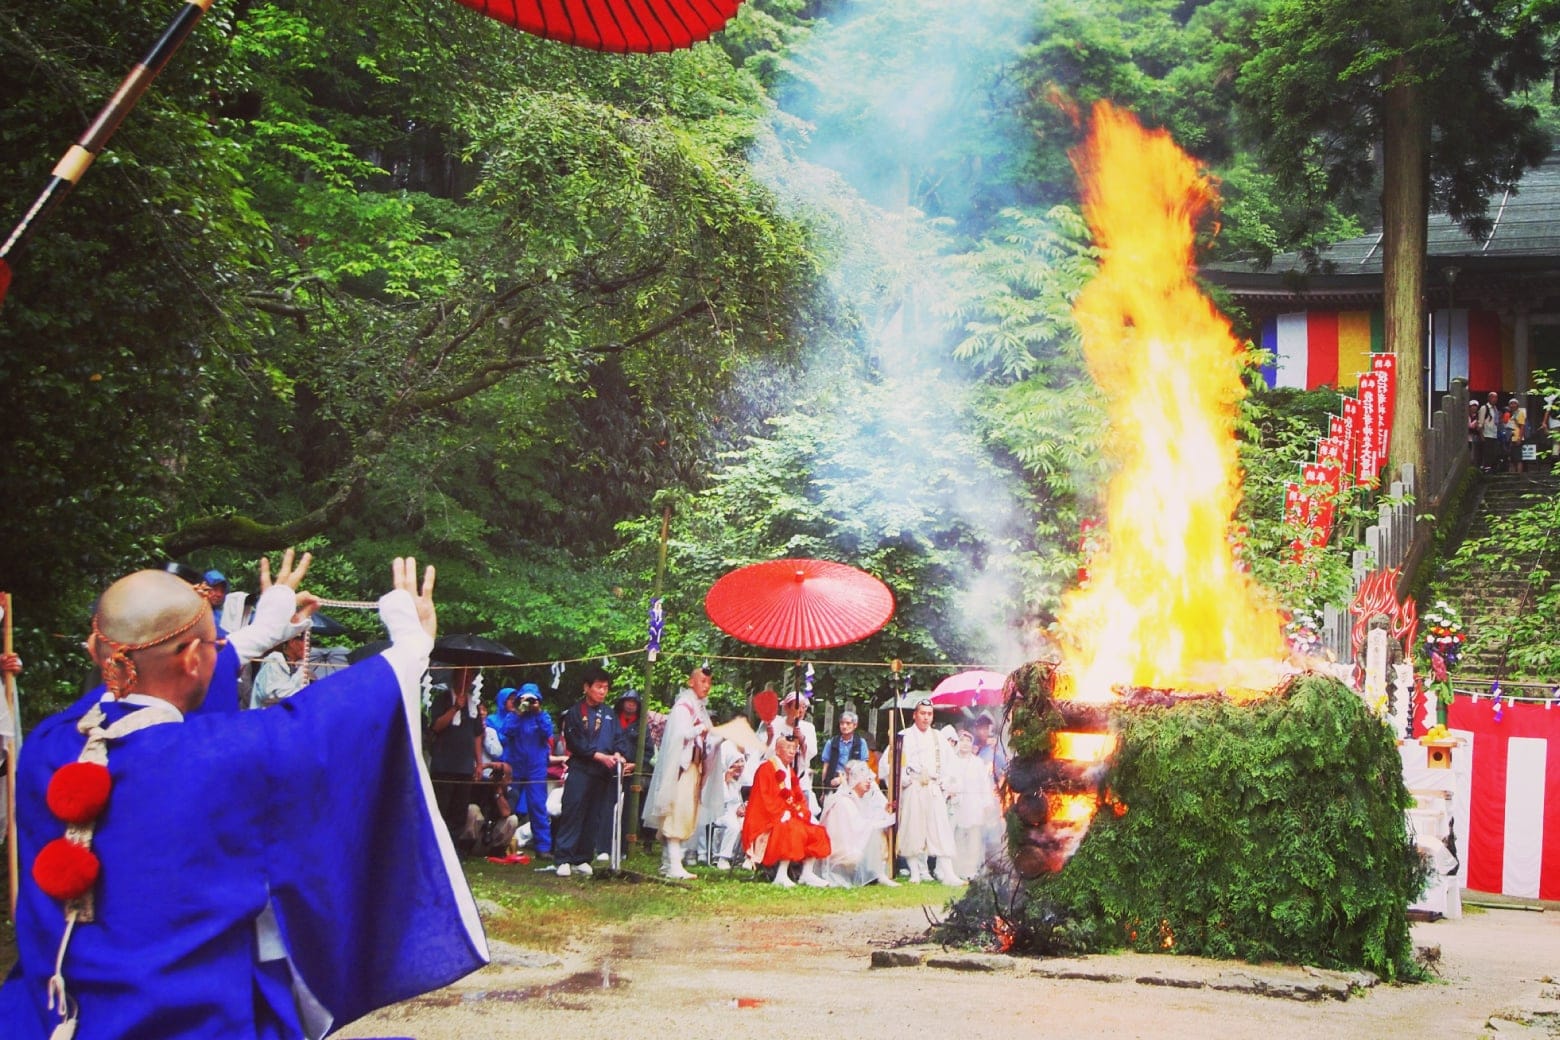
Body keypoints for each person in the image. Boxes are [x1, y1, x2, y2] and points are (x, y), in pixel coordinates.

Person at [0, 557, 487, 1039]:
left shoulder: (49, 746)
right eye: (217, 644)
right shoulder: (225, 758)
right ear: (192, 659)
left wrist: (263, 630)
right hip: (183, 1024)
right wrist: (411, 642)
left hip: (43, 1017)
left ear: (97, 652)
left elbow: (131, 695)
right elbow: (330, 721)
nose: (223, 653)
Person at [642, 665, 720, 879]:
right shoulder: (683, 707)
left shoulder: (701, 709)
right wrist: (698, 730)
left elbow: (706, 740)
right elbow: (677, 735)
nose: (706, 686)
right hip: (681, 768)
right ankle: (673, 864)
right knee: (676, 812)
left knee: (686, 813)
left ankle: (670, 863)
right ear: (690, 682)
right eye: (702, 681)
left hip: (695, 767)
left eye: (709, 683)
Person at [554, 666, 628, 876]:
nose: (603, 692)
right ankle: (564, 858)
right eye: (598, 687)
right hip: (581, 768)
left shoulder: (610, 714)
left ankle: (582, 857)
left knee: (594, 814)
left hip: (602, 773)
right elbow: (574, 741)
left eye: (605, 688)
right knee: (573, 811)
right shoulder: (575, 713)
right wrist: (597, 755)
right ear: (586, 688)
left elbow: (618, 739)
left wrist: (618, 754)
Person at [740, 731, 831, 888]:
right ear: (777, 750)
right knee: (792, 829)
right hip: (766, 820)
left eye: (794, 748)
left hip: (788, 815)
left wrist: (801, 811)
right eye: (788, 747)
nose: (792, 751)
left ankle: (806, 874)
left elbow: (798, 797)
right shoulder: (766, 769)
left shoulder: (790, 771)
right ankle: (781, 875)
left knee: (816, 831)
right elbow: (764, 798)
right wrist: (782, 812)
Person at [892, 699, 964, 885]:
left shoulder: (938, 737)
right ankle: (915, 872)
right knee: (912, 829)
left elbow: (951, 763)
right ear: (915, 714)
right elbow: (890, 764)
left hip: (932, 787)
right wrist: (904, 779)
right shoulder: (904, 735)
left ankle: (948, 873)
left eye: (929, 714)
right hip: (913, 786)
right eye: (922, 713)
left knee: (940, 828)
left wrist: (945, 782)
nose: (926, 717)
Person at [427, 668, 484, 853]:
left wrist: (479, 762)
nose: (466, 681)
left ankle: (453, 850)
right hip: (444, 764)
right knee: (441, 809)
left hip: (464, 766)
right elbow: (436, 726)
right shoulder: (442, 699)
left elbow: (477, 735)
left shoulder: (474, 704)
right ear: (455, 678)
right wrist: (455, 708)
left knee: (459, 812)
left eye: (470, 678)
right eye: (464, 677)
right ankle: (436, 849)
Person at [819, 761, 898, 888]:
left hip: (851, 841)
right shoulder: (845, 800)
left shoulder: (859, 798)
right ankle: (879, 875)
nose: (868, 782)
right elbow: (859, 826)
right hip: (841, 849)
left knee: (877, 830)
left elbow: (867, 818)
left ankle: (879, 874)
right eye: (864, 779)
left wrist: (885, 813)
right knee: (874, 832)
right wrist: (884, 822)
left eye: (869, 779)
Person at [945, 729, 1001, 879]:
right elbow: (947, 782)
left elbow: (984, 785)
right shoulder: (952, 762)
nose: (965, 744)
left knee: (974, 840)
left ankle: (972, 869)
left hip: (974, 806)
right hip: (957, 806)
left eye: (968, 741)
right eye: (962, 740)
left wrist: (987, 804)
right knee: (958, 838)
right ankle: (956, 869)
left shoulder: (978, 763)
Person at [508, 683, 554, 858]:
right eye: (525, 699)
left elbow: (548, 733)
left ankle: (543, 847)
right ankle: (501, 842)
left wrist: (538, 712)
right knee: (509, 803)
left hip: (536, 767)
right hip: (516, 765)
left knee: (537, 806)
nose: (528, 702)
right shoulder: (515, 716)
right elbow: (506, 731)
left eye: (531, 699)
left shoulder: (542, 716)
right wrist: (518, 713)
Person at [249, 629, 311, 708]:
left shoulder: (299, 667)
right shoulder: (273, 664)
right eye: (306, 643)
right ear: (292, 642)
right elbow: (276, 695)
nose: (309, 647)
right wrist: (301, 674)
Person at [819, 709, 870, 791]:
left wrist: (843, 779)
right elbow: (826, 767)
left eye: (848, 723)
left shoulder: (861, 743)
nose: (844, 726)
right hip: (833, 782)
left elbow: (863, 768)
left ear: (855, 725)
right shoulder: (831, 742)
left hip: (854, 784)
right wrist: (823, 790)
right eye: (842, 723)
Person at [1479, 390, 1503, 472]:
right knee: (1487, 453)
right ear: (1489, 398)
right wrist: (1481, 435)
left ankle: (1491, 468)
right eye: (1493, 397)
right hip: (1486, 434)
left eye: (1496, 397)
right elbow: (1481, 422)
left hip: (1494, 434)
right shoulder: (1484, 408)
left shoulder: (1495, 409)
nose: (1495, 399)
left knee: (1494, 453)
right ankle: (1485, 468)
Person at [1506, 396, 1528, 474]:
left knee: (1518, 458)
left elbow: (1522, 426)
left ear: (1517, 405)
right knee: (1512, 459)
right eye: (1511, 404)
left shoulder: (1520, 413)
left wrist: (1519, 438)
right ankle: (1512, 474)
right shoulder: (1511, 415)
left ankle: (1519, 475)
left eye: (1514, 403)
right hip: (1511, 438)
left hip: (1517, 438)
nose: (1512, 405)